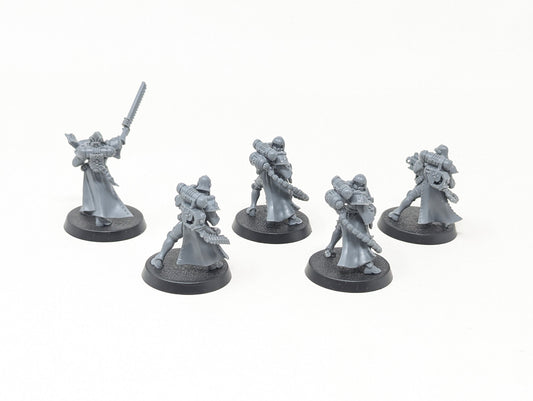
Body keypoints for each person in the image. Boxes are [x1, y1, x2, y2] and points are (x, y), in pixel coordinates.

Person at [151, 176, 229, 270]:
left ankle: (159, 257)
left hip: (185, 224)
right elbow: (214, 221)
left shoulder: (189, 193)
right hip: (198, 227)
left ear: (198, 183)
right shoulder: (208, 200)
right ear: (209, 186)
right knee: (206, 244)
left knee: (171, 237)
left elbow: (178, 201)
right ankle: (212, 264)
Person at [67, 131, 132, 226]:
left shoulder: (95, 148)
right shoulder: (98, 147)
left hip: (96, 172)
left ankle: (88, 209)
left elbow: (75, 163)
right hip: (95, 173)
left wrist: (125, 131)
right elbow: (75, 163)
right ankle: (100, 218)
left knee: (95, 193)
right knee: (102, 195)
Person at [388, 144, 461, 228]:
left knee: (411, 197)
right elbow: (451, 184)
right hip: (430, 186)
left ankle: (396, 213)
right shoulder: (439, 163)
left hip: (431, 187)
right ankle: (397, 212)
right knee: (439, 205)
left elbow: (451, 184)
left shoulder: (441, 164)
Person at [324, 174, 382, 274]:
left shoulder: (362, 190)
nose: (359, 188)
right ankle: (368, 265)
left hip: (351, 216)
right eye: (357, 185)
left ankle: (329, 248)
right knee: (359, 241)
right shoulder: (348, 189)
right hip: (352, 218)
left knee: (338, 230)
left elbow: (367, 204)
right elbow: (360, 208)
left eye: (361, 186)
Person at [246, 136, 308, 225]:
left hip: (263, 177)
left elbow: (258, 166)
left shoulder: (266, 149)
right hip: (273, 179)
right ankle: (292, 218)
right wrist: (289, 171)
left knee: (256, 187)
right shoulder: (279, 155)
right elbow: (287, 173)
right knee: (283, 196)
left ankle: (252, 207)